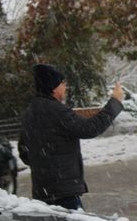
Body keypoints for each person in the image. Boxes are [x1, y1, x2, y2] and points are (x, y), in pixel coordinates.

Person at [18, 64, 124, 210]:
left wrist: (44, 164)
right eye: (62, 83)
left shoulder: (30, 112)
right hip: (63, 192)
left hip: (42, 192)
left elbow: (24, 152)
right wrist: (115, 102)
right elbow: (89, 129)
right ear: (53, 87)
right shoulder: (58, 111)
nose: (65, 87)